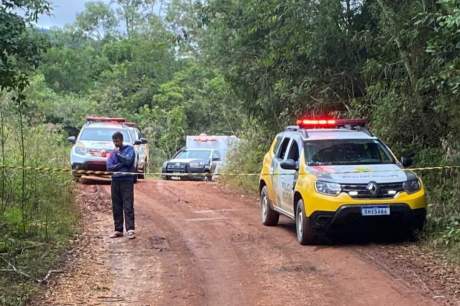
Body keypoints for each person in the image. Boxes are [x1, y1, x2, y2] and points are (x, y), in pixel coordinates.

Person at [106, 131, 136, 239]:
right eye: (114, 141)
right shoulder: (112, 152)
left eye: (117, 141)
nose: (116, 143)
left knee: (128, 204)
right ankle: (118, 229)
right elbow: (109, 167)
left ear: (121, 140)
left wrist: (119, 156)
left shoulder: (130, 149)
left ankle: (130, 229)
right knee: (116, 205)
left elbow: (129, 162)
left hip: (127, 180)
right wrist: (121, 164)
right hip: (115, 180)